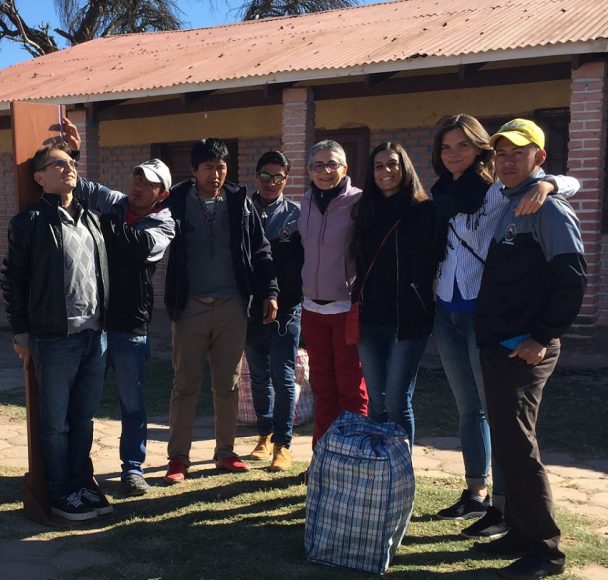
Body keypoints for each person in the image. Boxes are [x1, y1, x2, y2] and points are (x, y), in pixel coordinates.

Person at [430, 114, 579, 539]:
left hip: (487, 314)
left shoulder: (501, 190)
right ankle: (475, 492)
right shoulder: (439, 194)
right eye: (446, 147)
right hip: (447, 309)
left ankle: (503, 507)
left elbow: (568, 182)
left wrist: (548, 184)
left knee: (502, 419)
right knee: (469, 409)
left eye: (463, 145)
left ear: (480, 150)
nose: (453, 153)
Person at [473, 119, 586, 579]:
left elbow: (571, 279)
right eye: (500, 154)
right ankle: (519, 533)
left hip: (525, 347)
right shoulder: (508, 200)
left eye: (517, 153)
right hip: (499, 343)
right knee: (507, 442)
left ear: (539, 157)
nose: (506, 161)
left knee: (519, 446)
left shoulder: (549, 208)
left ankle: (546, 549)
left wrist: (542, 336)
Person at [62, 118, 175, 496]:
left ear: (162, 193)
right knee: (85, 402)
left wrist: (97, 223)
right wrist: (72, 154)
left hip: (130, 325)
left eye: (148, 183)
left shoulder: (164, 224)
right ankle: (80, 469)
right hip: (95, 320)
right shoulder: (115, 204)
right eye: (136, 179)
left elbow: (137, 247)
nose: (138, 186)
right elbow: (84, 187)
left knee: (132, 403)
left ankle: (133, 468)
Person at [2, 140, 111, 521]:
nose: (69, 168)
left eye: (71, 162)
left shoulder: (91, 218)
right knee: (56, 424)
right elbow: (14, 281)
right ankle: (61, 490)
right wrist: (21, 333)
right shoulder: (28, 223)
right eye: (59, 164)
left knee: (84, 418)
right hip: (53, 339)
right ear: (39, 177)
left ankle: (83, 484)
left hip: (95, 336)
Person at [163, 138, 278, 481]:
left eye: (221, 166)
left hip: (232, 306)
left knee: (227, 384)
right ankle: (178, 459)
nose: (216, 174)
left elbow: (261, 250)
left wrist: (269, 292)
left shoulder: (240, 203)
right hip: (190, 308)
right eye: (209, 167)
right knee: (185, 384)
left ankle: (225, 453)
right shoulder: (176, 201)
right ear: (194, 170)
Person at [350, 142, 437, 445]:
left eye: (392, 164)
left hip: (408, 320)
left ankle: (402, 475)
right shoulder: (365, 210)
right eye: (378, 166)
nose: (385, 171)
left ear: (404, 168)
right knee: (376, 402)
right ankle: (380, 474)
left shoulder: (424, 210)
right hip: (370, 320)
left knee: (398, 400)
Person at [299, 140, 368, 447]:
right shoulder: (305, 201)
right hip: (312, 308)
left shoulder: (360, 202)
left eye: (332, 164)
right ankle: (323, 455)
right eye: (318, 165)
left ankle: (353, 455)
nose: (325, 171)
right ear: (309, 170)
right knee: (322, 387)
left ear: (345, 168)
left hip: (345, 309)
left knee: (351, 388)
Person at [246, 151, 304, 471]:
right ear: (257, 177)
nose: (271, 183)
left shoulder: (297, 215)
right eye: (265, 176)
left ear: (286, 179)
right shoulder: (244, 210)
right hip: (250, 310)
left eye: (278, 177)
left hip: (288, 310)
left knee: (283, 377)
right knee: (258, 376)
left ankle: (283, 443)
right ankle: (264, 434)